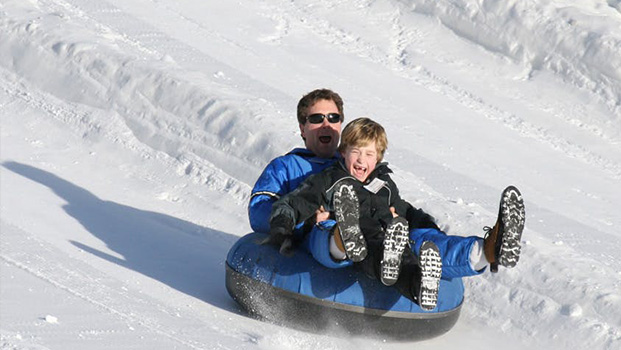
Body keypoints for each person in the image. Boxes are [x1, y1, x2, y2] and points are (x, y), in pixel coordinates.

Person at [248, 88, 525, 283]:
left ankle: (486, 250)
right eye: (316, 118)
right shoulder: (286, 167)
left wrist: (420, 223)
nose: (325, 125)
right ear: (302, 127)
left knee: (415, 239)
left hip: (377, 231)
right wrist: (303, 220)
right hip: (322, 237)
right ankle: (346, 234)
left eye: (333, 118)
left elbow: (394, 202)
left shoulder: (359, 164)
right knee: (331, 228)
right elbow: (259, 209)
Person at [269, 117, 444, 310]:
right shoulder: (329, 179)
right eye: (356, 152)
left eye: (369, 154)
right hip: (353, 242)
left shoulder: (384, 185)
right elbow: (296, 202)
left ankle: (420, 286)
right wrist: (282, 227)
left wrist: (429, 226)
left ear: (378, 158)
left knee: (402, 250)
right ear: (343, 151)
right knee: (370, 238)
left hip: (386, 237)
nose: (361, 159)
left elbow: (404, 209)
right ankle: (351, 235)